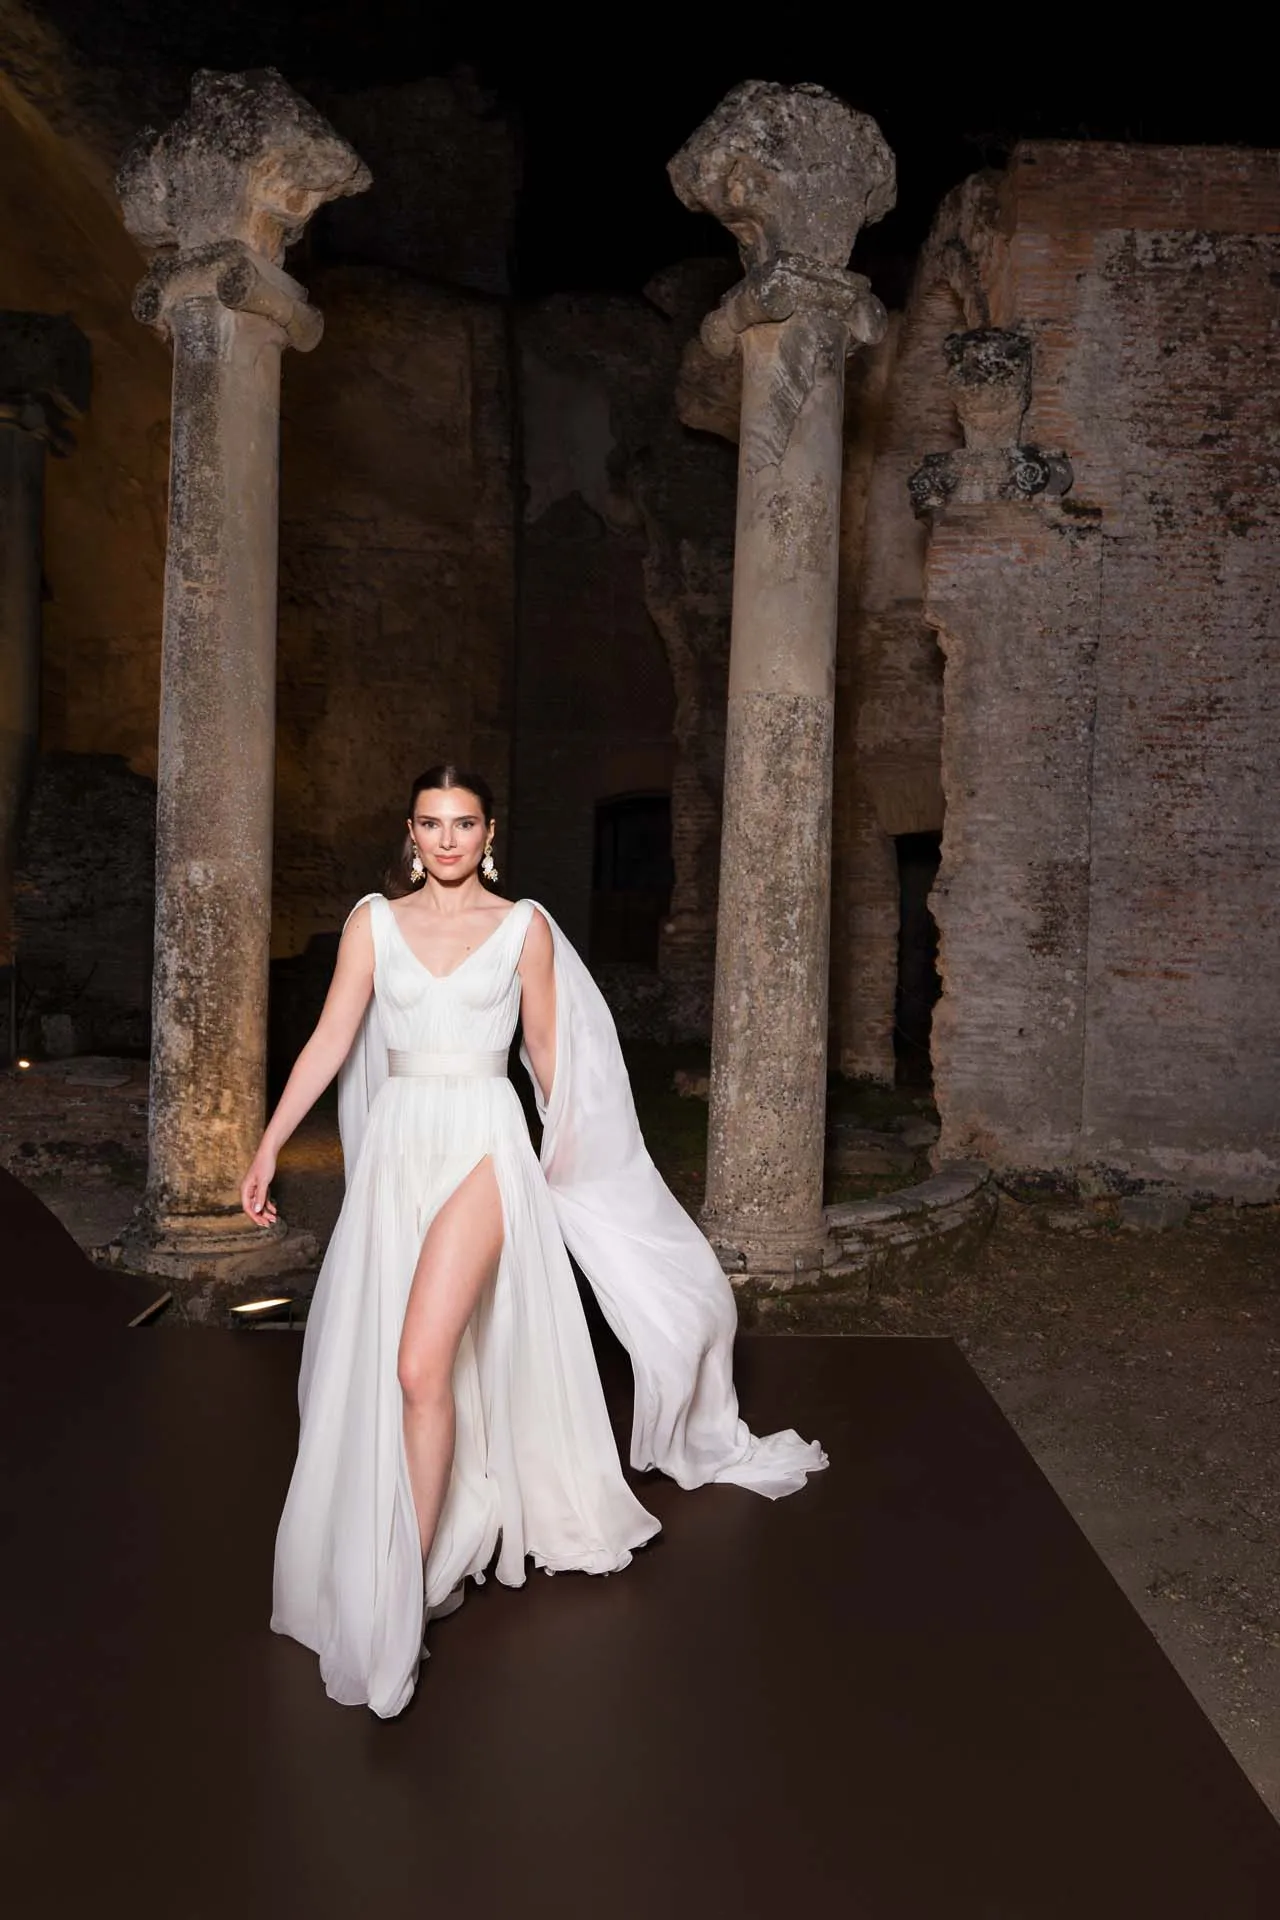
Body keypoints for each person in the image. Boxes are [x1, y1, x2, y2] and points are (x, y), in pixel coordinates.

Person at [243, 764, 826, 1717]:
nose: (447, 839)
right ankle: (425, 1536)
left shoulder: (524, 928)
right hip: (398, 1150)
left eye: (464, 823)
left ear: (489, 833)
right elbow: (330, 1039)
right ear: (410, 834)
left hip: (486, 1145)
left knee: (420, 1366)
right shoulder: (372, 924)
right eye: (431, 823)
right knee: (404, 1361)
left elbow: (549, 1054)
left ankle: (406, 1587)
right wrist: (269, 1145)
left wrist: (573, 1160)